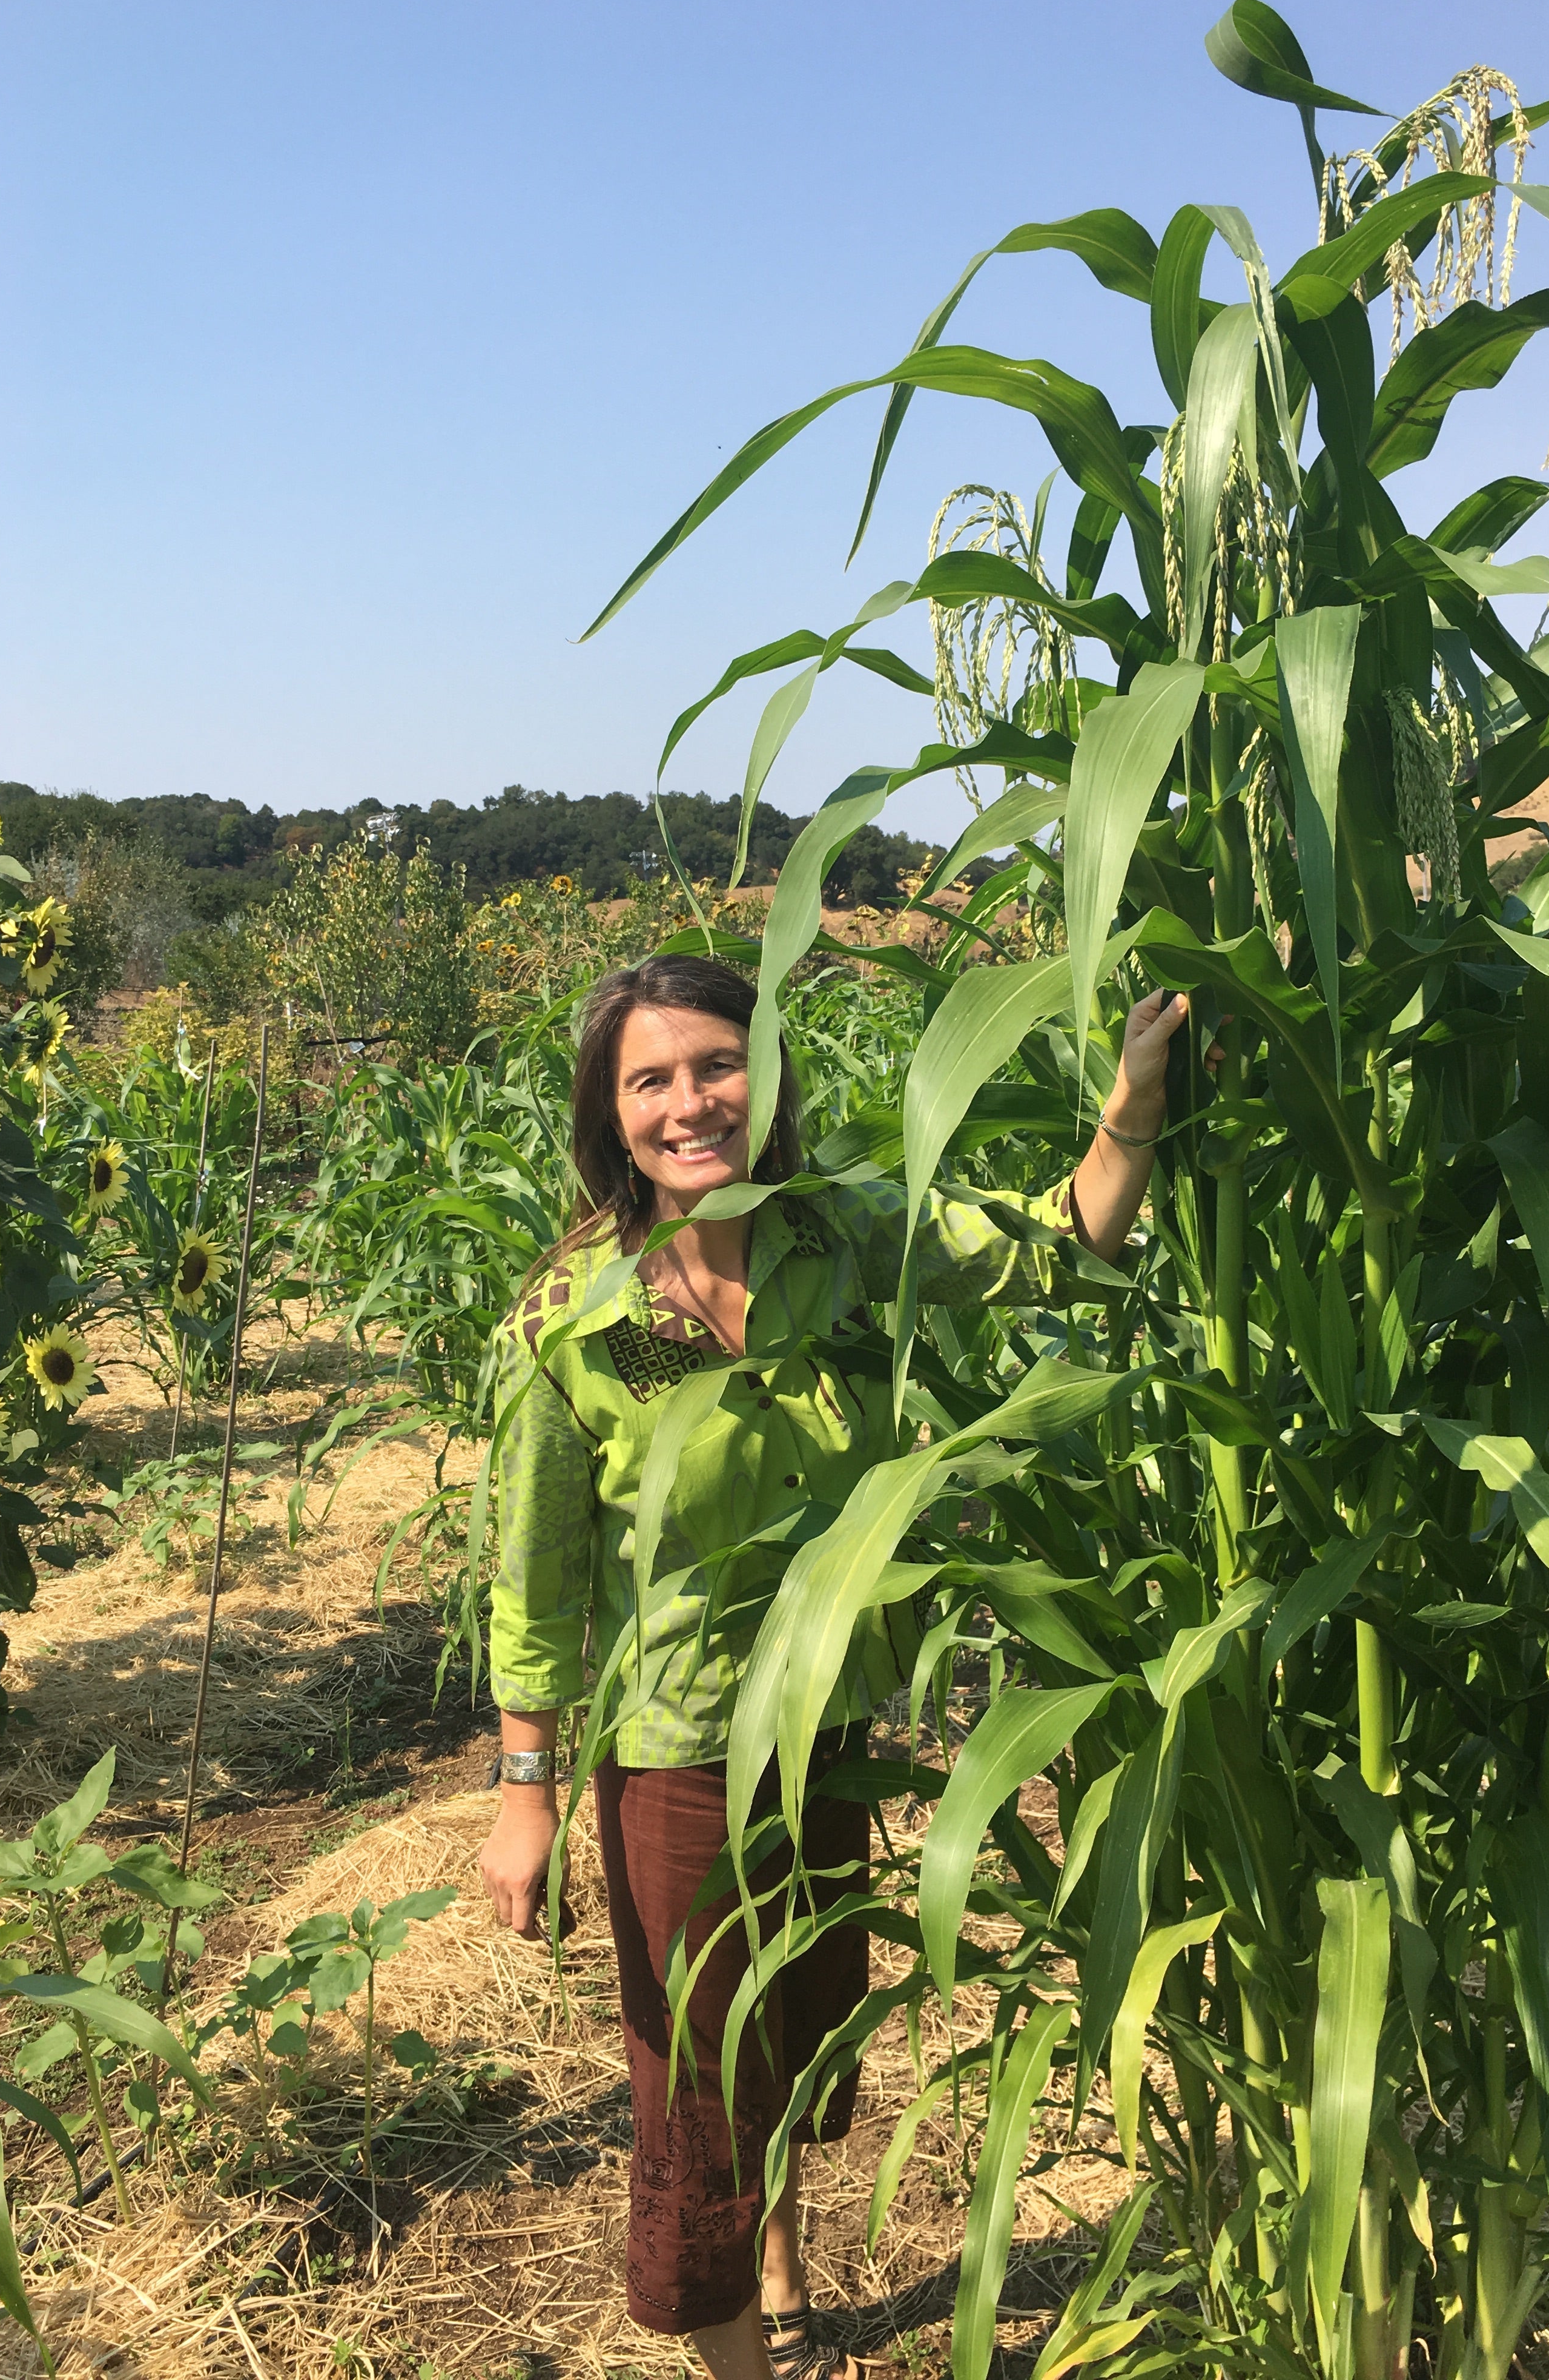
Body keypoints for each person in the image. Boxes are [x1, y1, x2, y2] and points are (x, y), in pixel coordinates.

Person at [478, 953, 1197, 2380]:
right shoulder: (575, 1317)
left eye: (718, 1065)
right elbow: (538, 1579)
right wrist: (525, 1790)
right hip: (675, 1753)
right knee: (697, 2102)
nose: (692, 1103)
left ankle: (787, 2273)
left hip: (825, 1737)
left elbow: (1059, 1242)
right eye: (652, 1080)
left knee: (794, 2036)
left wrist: (1135, 1101)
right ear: (608, 1116)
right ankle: (743, 2351)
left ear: (772, 1073)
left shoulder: (846, 1236)